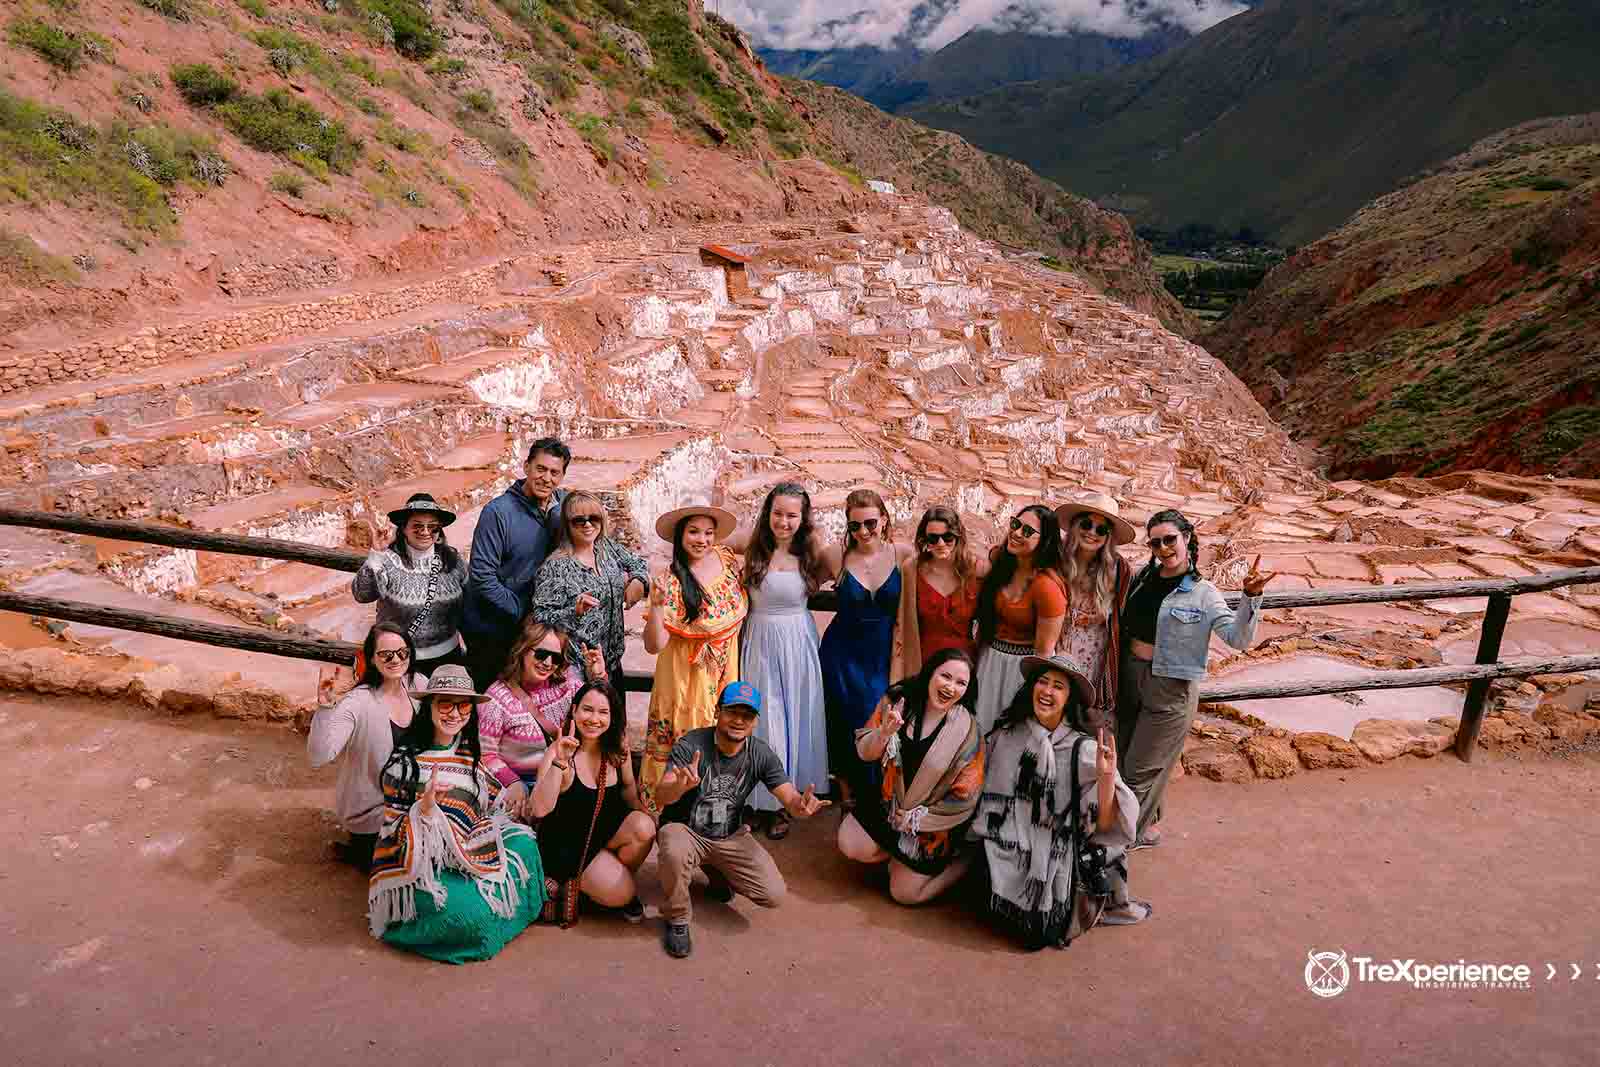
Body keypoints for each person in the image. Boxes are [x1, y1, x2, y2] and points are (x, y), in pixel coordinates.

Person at [1117, 509, 1275, 849]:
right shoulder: (1143, 579)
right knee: (1125, 756)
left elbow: (1237, 639)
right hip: (1129, 679)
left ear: (1187, 538)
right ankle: (1145, 827)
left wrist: (1251, 598)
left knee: (1136, 772)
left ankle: (1116, 843)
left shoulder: (1204, 593)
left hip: (1170, 689)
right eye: (1155, 542)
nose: (1163, 548)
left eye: (1170, 539)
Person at [367, 665, 545, 963]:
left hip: (471, 853)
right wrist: (423, 811)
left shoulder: (467, 753)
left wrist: (517, 795)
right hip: (424, 867)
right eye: (445, 704)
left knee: (526, 845)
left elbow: (487, 804)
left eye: (463, 705)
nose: (455, 713)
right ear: (430, 706)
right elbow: (392, 834)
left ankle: (494, 908)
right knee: (469, 915)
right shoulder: (403, 764)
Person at [971, 655, 1148, 951]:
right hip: (1003, 851)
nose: (1047, 691)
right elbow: (985, 799)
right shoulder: (1006, 736)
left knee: (1037, 938)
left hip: (1055, 862)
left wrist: (1105, 781)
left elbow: (1107, 827)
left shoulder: (1085, 750)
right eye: (1042, 682)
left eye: (1058, 687)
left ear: (1069, 699)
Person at [654, 682, 831, 959]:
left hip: (729, 835)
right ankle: (677, 917)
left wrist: (802, 807)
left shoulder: (760, 753)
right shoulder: (692, 745)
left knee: (773, 893)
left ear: (755, 722)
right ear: (717, 712)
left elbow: (790, 799)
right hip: (686, 830)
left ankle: (718, 870)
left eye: (747, 715)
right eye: (732, 711)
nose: (738, 720)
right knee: (673, 845)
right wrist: (678, 786)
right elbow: (660, 795)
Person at [837, 648, 984, 905]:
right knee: (850, 843)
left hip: (929, 826)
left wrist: (918, 820)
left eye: (961, 683)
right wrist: (884, 733)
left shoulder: (969, 733)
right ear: (930, 674)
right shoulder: (898, 701)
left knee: (904, 895)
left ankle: (963, 864)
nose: (950, 687)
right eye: (945, 676)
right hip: (889, 805)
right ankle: (898, 857)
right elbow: (864, 752)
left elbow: (966, 797)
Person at [734, 482, 831, 839]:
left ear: (803, 518)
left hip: (797, 643)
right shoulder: (751, 546)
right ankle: (755, 800)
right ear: (767, 513)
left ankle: (781, 805)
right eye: (778, 513)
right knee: (763, 720)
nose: (784, 522)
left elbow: (843, 568)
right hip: (759, 638)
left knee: (794, 718)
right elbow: (712, 544)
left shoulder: (812, 551)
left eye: (792, 515)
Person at [640, 499, 749, 810]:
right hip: (683, 677)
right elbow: (653, 645)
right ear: (680, 536)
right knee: (684, 739)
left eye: (708, 532)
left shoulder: (727, 561)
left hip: (723, 669)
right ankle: (670, 810)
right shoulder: (669, 580)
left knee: (723, 734)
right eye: (693, 532)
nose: (701, 539)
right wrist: (658, 607)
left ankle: (716, 811)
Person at [526, 682, 656, 922]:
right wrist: (559, 764)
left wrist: (645, 810)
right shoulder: (559, 751)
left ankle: (601, 881)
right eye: (587, 710)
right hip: (566, 847)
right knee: (623, 894)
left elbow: (627, 788)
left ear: (612, 717)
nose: (594, 719)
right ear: (574, 711)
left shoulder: (616, 749)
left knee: (644, 827)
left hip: (599, 835)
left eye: (603, 712)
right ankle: (581, 885)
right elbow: (539, 808)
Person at [818, 488, 914, 807]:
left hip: (883, 653)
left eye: (870, 523)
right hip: (841, 653)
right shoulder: (837, 557)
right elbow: (799, 580)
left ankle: (877, 792)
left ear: (884, 521)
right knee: (844, 717)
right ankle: (848, 790)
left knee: (877, 714)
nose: (863, 532)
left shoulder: (902, 553)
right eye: (854, 526)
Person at [308, 623, 423, 871]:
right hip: (373, 811)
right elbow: (320, 756)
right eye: (386, 655)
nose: (396, 660)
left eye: (403, 652)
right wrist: (325, 708)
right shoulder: (357, 702)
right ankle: (362, 850)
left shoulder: (419, 686)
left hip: (415, 800)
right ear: (371, 659)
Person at [461, 437, 572, 688]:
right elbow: (482, 576)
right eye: (540, 469)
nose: (546, 478)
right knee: (490, 697)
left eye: (555, 472)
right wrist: (522, 613)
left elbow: (598, 536)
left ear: (562, 476)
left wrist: (635, 573)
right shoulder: (498, 513)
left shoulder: (565, 506)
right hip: (492, 627)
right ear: (526, 467)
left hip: (535, 628)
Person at [479, 620, 605, 814]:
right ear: (522, 650)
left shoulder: (568, 685)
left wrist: (598, 676)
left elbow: (600, 710)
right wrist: (512, 782)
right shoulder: (496, 697)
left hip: (563, 777)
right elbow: (486, 754)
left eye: (555, 658)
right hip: (520, 785)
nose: (547, 663)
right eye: (541, 654)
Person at [531, 489, 648, 681]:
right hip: (578, 668)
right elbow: (540, 618)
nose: (587, 525)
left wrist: (638, 580)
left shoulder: (606, 548)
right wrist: (573, 612)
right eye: (579, 520)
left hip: (612, 662)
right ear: (567, 525)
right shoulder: (556, 566)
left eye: (594, 518)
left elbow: (638, 563)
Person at [971, 504, 1067, 734]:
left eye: (1027, 531)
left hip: (1020, 670)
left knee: (1006, 734)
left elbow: (1044, 652)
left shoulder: (1047, 588)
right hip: (988, 660)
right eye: (1015, 524)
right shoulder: (1003, 563)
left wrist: (1033, 695)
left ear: (1044, 541)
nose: (1016, 533)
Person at [351, 493, 469, 679]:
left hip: (448, 658)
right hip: (399, 660)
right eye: (417, 526)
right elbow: (362, 594)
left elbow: (471, 602)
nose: (425, 531)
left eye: (432, 527)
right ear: (404, 528)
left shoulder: (453, 560)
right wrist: (376, 555)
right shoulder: (389, 560)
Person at [1053, 491, 1138, 720]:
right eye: (1087, 524)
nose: (1092, 533)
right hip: (1053, 650)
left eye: (1101, 530)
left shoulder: (1118, 570)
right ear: (1074, 525)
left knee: (1080, 720)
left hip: (1093, 660)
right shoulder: (1054, 558)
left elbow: (1125, 617)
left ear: (1108, 537)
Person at [890, 505, 988, 680]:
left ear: (958, 537)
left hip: (964, 665)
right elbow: (902, 625)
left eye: (948, 537)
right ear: (924, 539)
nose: (941, 544)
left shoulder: (977, 569)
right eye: (933, 538)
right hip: (923, 663)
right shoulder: (912, 569)